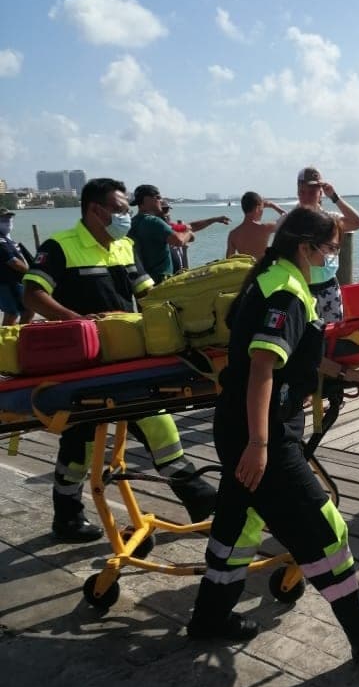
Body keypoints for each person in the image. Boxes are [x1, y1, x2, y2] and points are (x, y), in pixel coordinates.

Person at [187, 204, 359, 664]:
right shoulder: (286, 292)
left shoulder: (272, 278)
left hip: (241, 424)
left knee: (239, 523)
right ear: (305, 245)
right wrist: (259, 445)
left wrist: (339, 372)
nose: (333, 254)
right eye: (331, 247)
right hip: (263, 431)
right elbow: (262, 368)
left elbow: (286, 357)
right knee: (326, 529)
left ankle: (210, 619)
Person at [22, 178, 217, 542]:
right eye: (122, 209)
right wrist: (73, 319)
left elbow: (149, 295)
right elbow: (32, 293)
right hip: (80, 365)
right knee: (81, 446)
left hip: (126, 358)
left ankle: (201, 500)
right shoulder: (60, 247)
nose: (126, 215)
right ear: (97, 210)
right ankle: (67, 518)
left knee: (160, 425)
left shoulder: (126, 247)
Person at [290, 166, 359, 322]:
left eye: (312, 192)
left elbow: (357, 223)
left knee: (333, 336)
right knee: (306, 337)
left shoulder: (330, 219)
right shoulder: (291, 221)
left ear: (320, 193)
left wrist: (335, 197)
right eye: (302, 192)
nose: (307, 196)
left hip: (328, 288)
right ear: (297, 192)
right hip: (302, 289)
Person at [128, 185, 194, 284]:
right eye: (158, 198)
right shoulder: (153, 221)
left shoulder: (132, 222)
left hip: (143, 281)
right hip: (160, 279)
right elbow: (178, 241)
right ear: (146, 199)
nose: (161, 201)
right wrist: (188, 233)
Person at [162, 200, 232, 273]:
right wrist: (188, 234)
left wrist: (215, 219)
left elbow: (192, 226)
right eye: (165, 210)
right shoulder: (160, 228)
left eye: (167, 210)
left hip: (178, 273)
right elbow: (187, 235)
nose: (167, 214)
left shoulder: (173, 227)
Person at [225, 191, 287, 260]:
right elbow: (287, 219)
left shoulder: (233, 234)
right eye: (262, 208)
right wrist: (272, 205)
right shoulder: (265, 227)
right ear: (257, 208)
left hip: (246, 270)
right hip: (262, 269)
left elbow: (229, 260)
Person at [0, 211, 34, 326]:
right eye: (3, 219)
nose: (8, 222)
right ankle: (18, 338)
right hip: (8, 283)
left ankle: (13, 337)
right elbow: (13, 261)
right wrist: (31, 273)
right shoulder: (1, 240)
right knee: (21, 312)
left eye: (9, 218)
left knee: (16, 313)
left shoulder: (7, 239)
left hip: (14, 282)